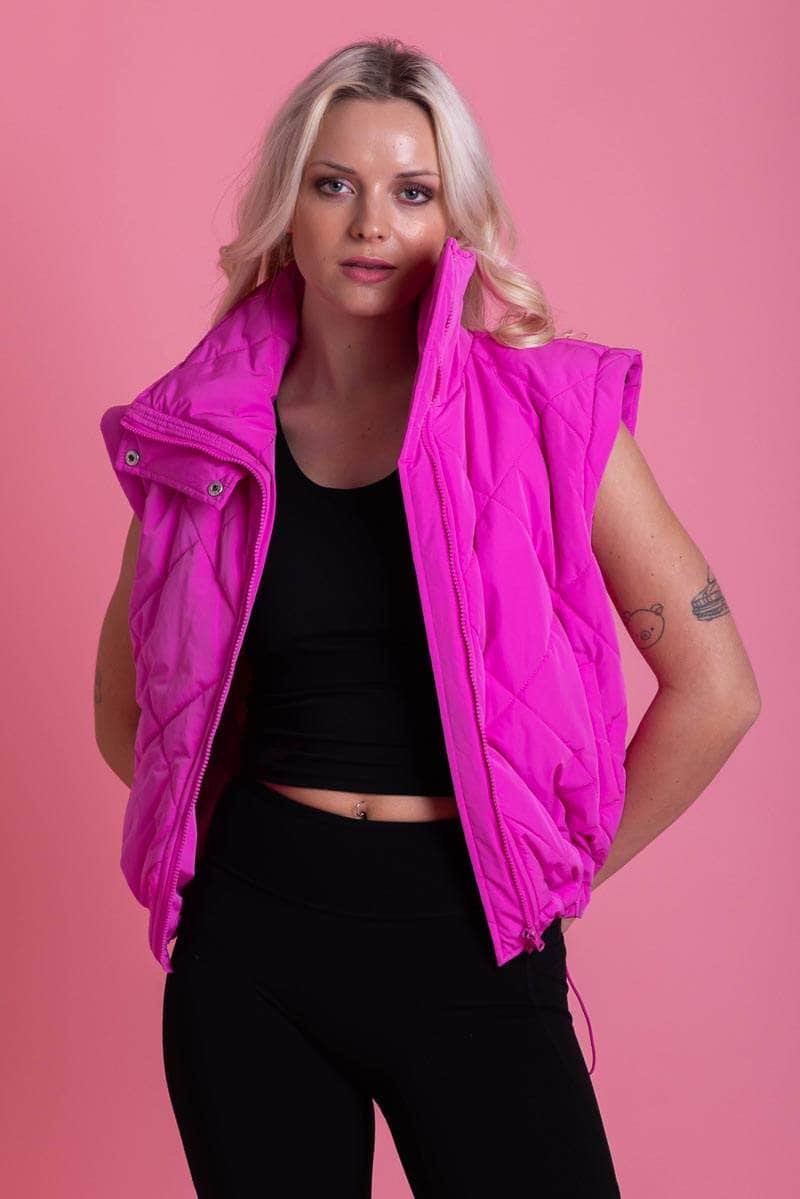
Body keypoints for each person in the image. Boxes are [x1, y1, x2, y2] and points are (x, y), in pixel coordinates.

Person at [94, 36, 761, 1199]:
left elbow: (717, 689)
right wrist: (235, 868)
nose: (370, 224)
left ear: (454, 214)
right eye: (333, 184)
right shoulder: (201, 432)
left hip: (468, 935)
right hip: (253, 947)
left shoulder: (545, 407)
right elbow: (128, 715)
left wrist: (547, 871)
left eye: (411, 190)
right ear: (287, 205)